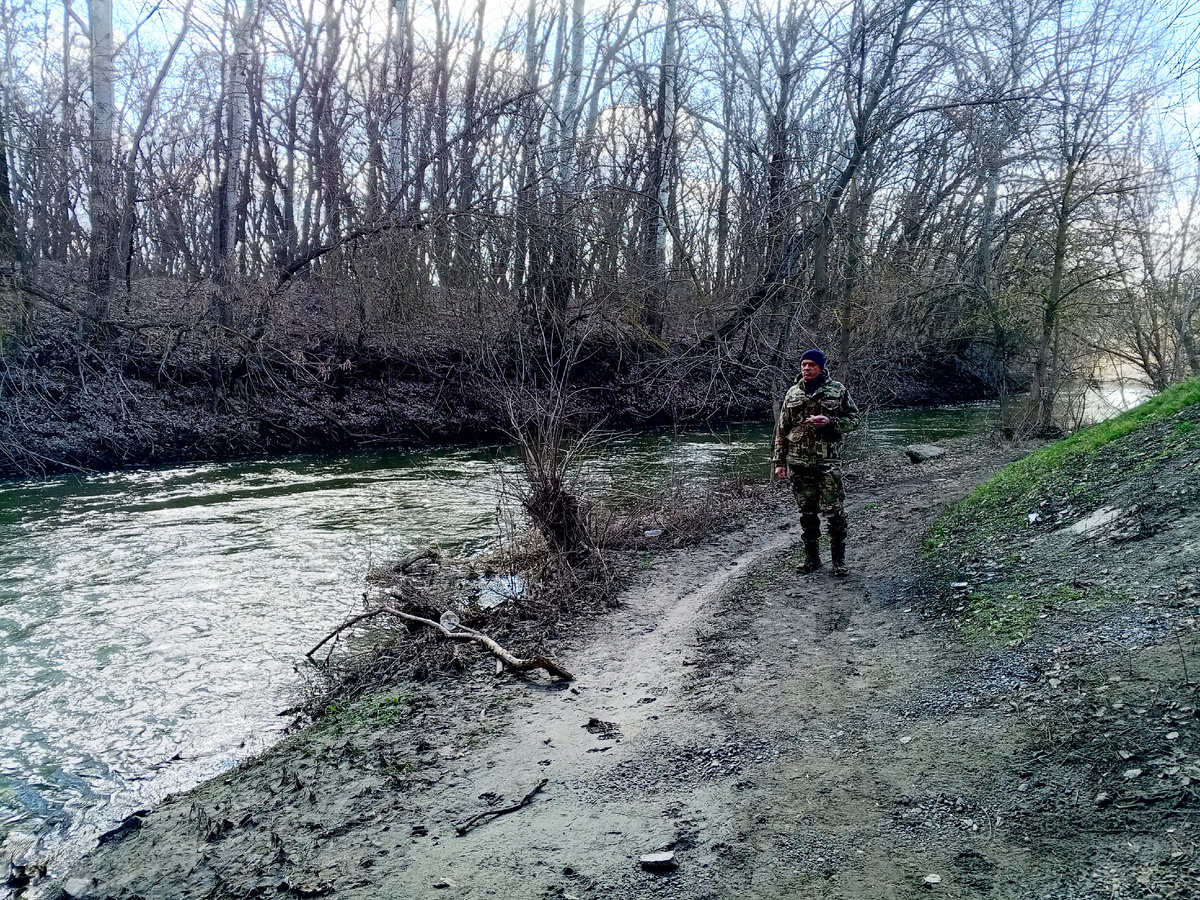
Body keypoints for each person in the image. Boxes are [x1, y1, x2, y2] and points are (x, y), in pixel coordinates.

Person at [772, 348, 859, 576]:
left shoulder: (837, 390)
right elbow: (782, 430)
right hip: (798, 463)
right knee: (807, 513)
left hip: (827, 462)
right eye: (804, 365)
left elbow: (854, 419)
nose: (807, 368)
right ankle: (812, 560)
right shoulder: (792, 393)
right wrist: (779, 462)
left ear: (820, 367)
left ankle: (838, 561)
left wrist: (830, 422)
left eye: (811, 364)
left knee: (835, 512)